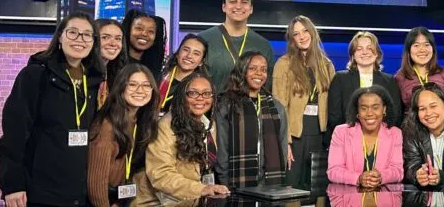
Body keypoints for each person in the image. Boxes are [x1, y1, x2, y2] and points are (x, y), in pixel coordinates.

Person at [0, 12, 104, 207]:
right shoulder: (36, 75)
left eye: (87, 34)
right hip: (40, 191)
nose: (80, 39)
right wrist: (12, 184)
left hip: (79, 192)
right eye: (73, 32)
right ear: (60, 37)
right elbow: (15, 132)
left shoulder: (95, 82)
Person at [141, 72, 230, 204]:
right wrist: (202, 189)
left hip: (194, 200)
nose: (200, 98)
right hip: (164, 202)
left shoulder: (209, 124)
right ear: (182, 96)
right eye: (193, 93)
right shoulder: (166, 125)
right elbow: (160, 174)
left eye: (206, 93)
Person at [272, 15, 336, 188]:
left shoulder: (326, 64)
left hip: (320, 134)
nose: (302, 36)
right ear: (292, 39)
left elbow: (333, 104)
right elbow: (279, 106)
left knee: (317, 188)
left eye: (305, 31)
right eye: (296, 34)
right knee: (292, 187)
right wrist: (285, 142)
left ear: (312, 32)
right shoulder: (283, 64)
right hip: (295, 135)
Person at [87, 63, 160, 207]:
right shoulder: (106, 125)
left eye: (146, 85)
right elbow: (96, 183)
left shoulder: (140, 121)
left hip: (120, 199)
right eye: (132, 84)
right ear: (121, 88)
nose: (140, 90)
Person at [215, 50, 288, 188]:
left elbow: (282, 145)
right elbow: (221, 147)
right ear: (242, 71)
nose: (259, 73)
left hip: (270, 182)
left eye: (264, 70)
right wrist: (225, 180)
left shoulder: (276, 107)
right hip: (234, 181)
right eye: (253, 68)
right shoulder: (227, 104)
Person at [327, 31, 403, 142]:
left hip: (381, 141)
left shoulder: (389, 80)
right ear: (353, 54)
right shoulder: (340, 79)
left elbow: (395, 114)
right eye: (359, 49)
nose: (365, 52)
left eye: (369, 48)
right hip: (348, 140)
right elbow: (335, 116)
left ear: (377, 53)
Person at [199, 0, 275, 92]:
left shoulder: (263, 45)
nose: (238, 6)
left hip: (250, 108)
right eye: (233, 1)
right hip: (212, 107)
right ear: (223, 6)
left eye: (244, 2)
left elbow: (267, 87)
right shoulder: (204, 40)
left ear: (251, 8)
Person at [327, 85, 404, 187]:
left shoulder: (395, 133)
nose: (369, 113)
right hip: (349, 198)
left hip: (383, 198)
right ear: (357, 111)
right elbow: (333, 171)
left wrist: (381, 177)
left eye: (375, 107)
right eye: (364, 108)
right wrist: (357, 178)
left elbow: (398, 171)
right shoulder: (341, 132)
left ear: (384, 109)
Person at [395, 27, 444, 111]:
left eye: (427, 45)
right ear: (408, 50)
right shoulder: (399, 77)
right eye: (416, 45)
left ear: (433, 48)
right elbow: (397, 113)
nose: (422, 49)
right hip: (410, 124)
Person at [159, 34, 209, 114]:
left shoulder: (201, 89)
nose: (189, 56)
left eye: (196, 53)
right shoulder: (159, 77)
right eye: (186, 50)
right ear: (178, 53)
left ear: (201, 62)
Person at [121, 10, 167, 82]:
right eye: (139, 28)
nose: (144, 34)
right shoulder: (113, 63)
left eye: (151, 31)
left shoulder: (156, 70)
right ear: (128, 30)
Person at [96, 18, 127, 109]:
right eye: (105, 37)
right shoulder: (82, 71)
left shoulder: (117, 72)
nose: (113, 43)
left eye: (118, 39)